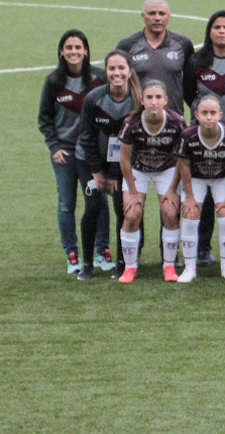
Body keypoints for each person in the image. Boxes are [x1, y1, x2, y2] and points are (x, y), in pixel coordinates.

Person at [38, 29, 111, 275]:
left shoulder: (100, 78)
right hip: (66, 153)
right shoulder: (53, 82)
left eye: (78, 48)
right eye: (69, 48)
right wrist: (54, 146)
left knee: (99, 201)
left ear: (86, 51)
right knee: (67, 204)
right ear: (61, 51)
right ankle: (72, 254)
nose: (73, 52)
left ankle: (102, 252)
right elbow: (44, 119)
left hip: (92, 154)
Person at [183, 10, 225, 267]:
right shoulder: (195, 62)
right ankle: (202, 247)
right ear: (209, 31)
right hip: (204, 138)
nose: (221, 32)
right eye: (217, 27)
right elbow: (189, 94)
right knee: (206, 195)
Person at [75, 50, 141, 280]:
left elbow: (130, 142)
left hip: (122, 164)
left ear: (130, 71)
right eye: (112, 68)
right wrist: (97, 172)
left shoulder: (137, 101)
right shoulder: (94, 99)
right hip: (89, 160)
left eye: (121, 68)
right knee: (93, 207)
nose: (117, 73)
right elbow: (86, 138)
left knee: (123, 209)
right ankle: (87, 264)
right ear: (106, 71)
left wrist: (114, 173)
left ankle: (124, 262)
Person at [117, 80, 187, 283]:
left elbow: (183, 157)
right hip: (139, 170)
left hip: (168, 170)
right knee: (132, 214)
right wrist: (131, 190)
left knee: (170, 212)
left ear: (165, 100)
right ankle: (130, 267)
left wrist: (174, 188)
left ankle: (169, 266)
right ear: (142, 100)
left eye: (158, 97)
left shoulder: (177, 122)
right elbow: (124, 158)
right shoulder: (132, 123)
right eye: (149, 97)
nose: (154, 102)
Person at [173, 95, 225, 282]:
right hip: (197, 178)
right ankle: (189, 268)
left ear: (220, 115)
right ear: (196, 115)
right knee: (190, 215)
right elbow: (184, 166)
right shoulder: (188, 135)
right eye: (204, 113)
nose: (208, 117)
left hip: (221, 179)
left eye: (212, 113)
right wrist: (189, 197)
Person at [116, 0, 195, 115]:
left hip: (173, 118)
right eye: (152, 13)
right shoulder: (127, 45)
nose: (157, 18)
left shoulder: (183, 44)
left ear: (168, 17)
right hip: (138, 118)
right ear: (143, 16)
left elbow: (190, 84)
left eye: (161, 13)